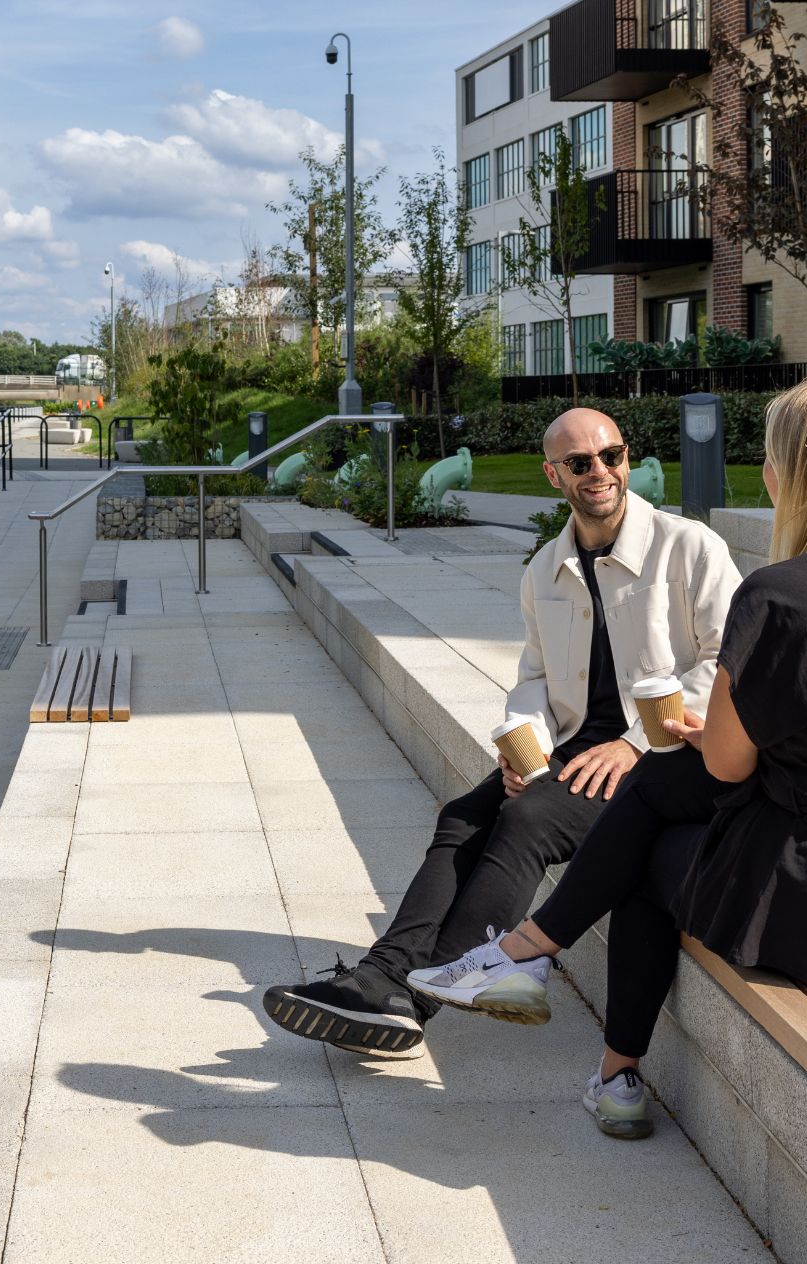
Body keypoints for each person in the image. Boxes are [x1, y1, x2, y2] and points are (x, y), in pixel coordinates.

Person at [406, 377, 807, 1140]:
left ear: (784, 475)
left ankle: (592, 1040)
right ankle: (541, 976)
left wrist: (695, 732)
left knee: (647, 851)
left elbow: (724, 767)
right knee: (654, 787)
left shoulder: (780, 594)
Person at [262, 407, 740, 1056]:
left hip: (660, 755)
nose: (600, 471)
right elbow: (535, 679)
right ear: (553, 476)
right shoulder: (545, 568)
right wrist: (523, 743)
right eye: (580, 463)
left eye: (612, 455)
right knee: (465, 813)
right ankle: (384, 975)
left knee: (529, 821)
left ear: (626, 460)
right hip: (574, 747)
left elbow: (729, 662)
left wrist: (630, 745)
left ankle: (417, 996)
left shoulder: (689, 547)